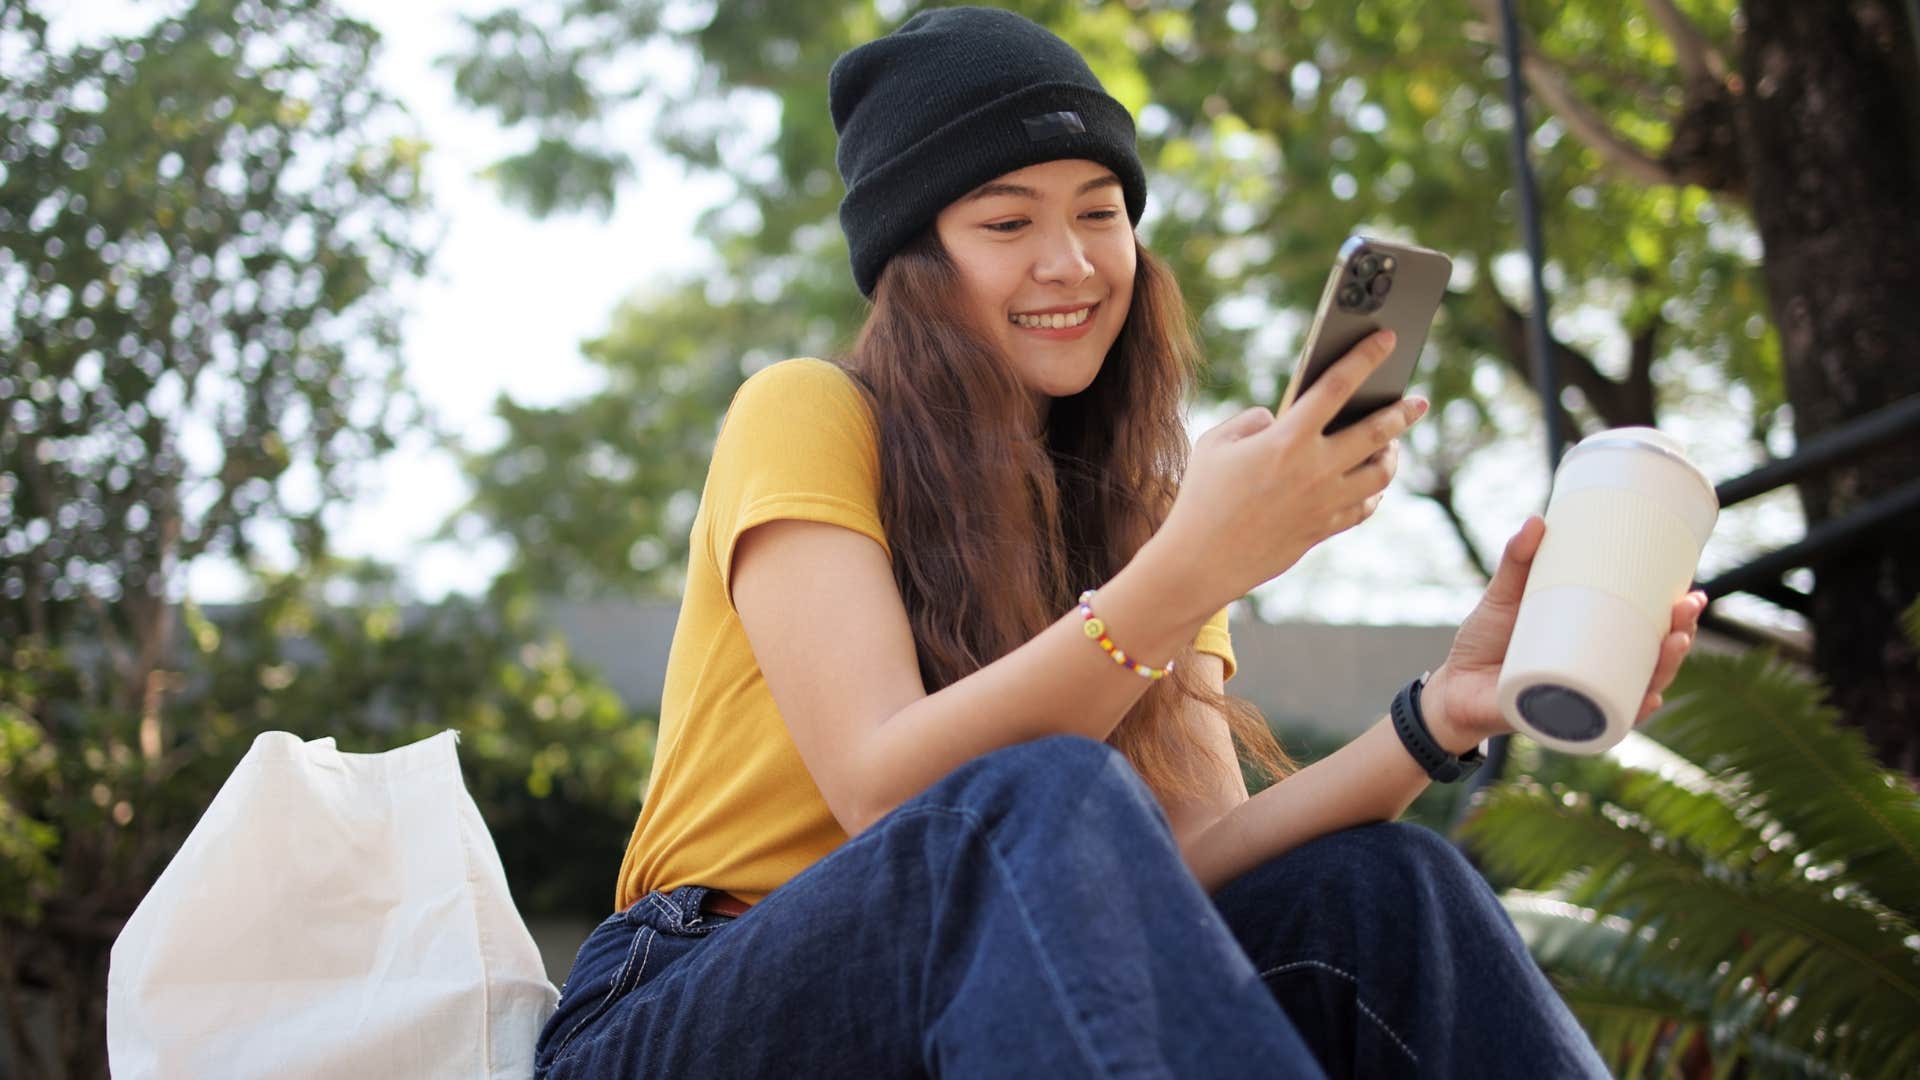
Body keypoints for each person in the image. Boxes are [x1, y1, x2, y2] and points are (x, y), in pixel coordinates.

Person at [533, 7, 1705, 1078]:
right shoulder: (810, 410)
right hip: (691, 1002)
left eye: (1101, 212)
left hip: (1010, 990)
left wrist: (1440, 713)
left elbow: (1195, 852)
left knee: (1385, 886)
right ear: (917, 261)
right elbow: (885, 793)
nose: (1073, 262)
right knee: (1041, 791)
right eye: (1008, 222)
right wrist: (1187, 569)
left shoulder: (1145, 517)